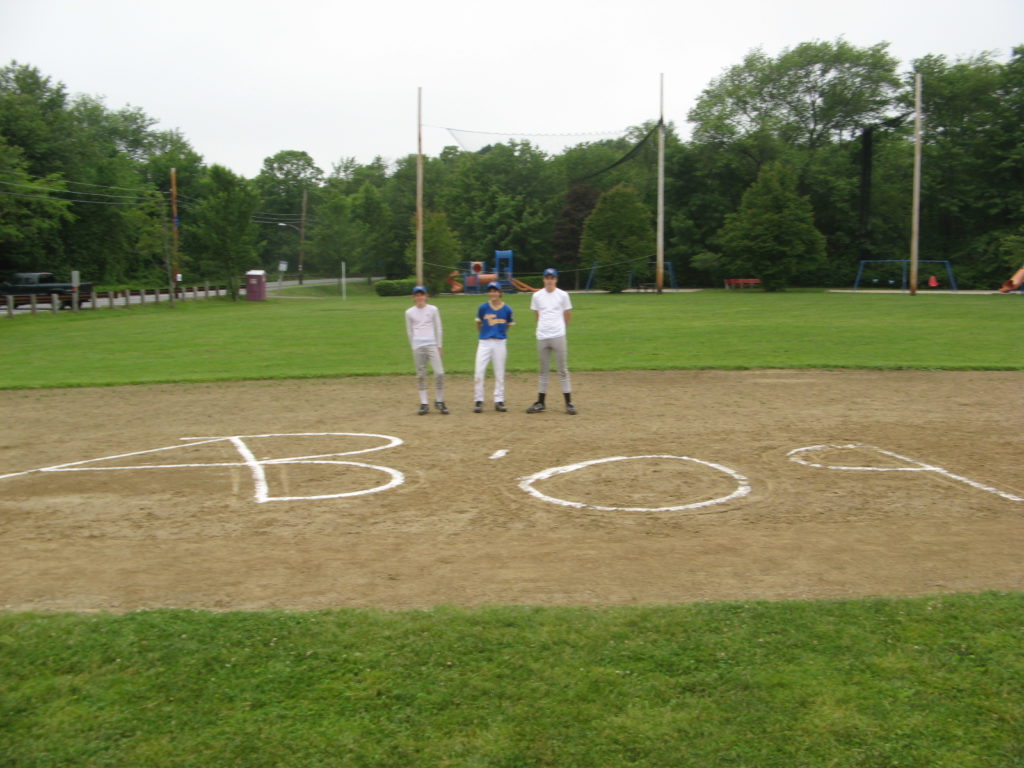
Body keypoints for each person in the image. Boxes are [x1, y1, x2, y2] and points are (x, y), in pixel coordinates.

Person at [527, 267, 576, 415]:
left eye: (552, 278)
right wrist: (544, 328)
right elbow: (537, 315)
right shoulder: (537, 296)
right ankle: (541, 402)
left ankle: (569, 403)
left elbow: (567, 315)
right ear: (543, 279)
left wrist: (560, 328)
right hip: (542, 336)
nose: (549, 280)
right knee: (543, 370)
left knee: (562, 369)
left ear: (556, 279)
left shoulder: (563, 295)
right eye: (547, 278)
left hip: (558, 335)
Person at [404, 285, 448, 415]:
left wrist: (439, 345)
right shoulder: (409, 312)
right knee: (421, 374)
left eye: (421, 294)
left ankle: (439, 400)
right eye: (417, 295)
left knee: (439, 372)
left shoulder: (433, 309)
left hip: (431, 344)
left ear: (426, 296)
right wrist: (414, 346)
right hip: (418, 345)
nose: (419, 297)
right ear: (413, 298)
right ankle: (424, 403)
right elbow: (409, 331)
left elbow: (438, 328)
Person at [473, 282, 515, 413]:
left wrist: (500, 334)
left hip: (499, 342)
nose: (493, 293)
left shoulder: (507, 309)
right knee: (479, 371)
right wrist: (483, 334)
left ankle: (499, 400)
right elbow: (479, 324)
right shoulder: (483, 308)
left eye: (495, 290)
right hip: (484, 342)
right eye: (491, 291)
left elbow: (508, 325)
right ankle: (478, 400)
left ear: (500, 292)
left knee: (499, 372)